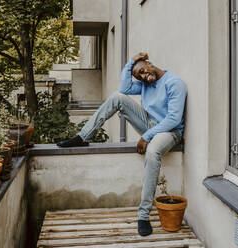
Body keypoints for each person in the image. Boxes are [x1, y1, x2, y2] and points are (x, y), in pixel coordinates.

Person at [57, 52, 187, 236]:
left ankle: (143, 215)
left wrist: (147, 136)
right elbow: (124, 88)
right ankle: (83, 136)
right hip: (151, 125)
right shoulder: (144, 84)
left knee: (152, 152)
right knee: (117, 97)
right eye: (138, 75)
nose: (143, 76)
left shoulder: (174, 83)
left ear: (150, 64)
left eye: (143, 71)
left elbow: (173, 119)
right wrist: (132, 62)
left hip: (170, 132)